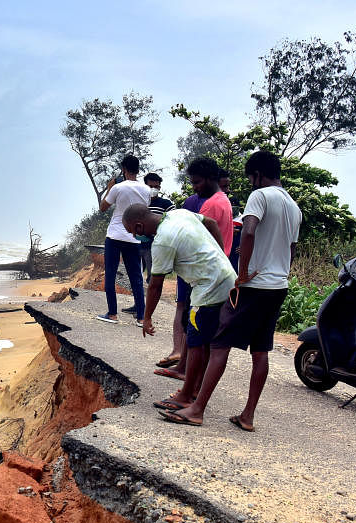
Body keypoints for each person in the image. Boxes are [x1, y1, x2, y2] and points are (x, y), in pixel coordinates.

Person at [160, 150, 302, 431]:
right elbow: (292, 248)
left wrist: (244, 272)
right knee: (261, 352)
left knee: (219, 344)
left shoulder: (260, 196)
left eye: (251, 177)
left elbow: (248, 231)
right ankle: (247, 415)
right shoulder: (294, 207)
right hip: (278, 286)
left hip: (254, 284)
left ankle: (197, 408)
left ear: (258, 174)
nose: (251, 183)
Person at [124, 204, 235, 413]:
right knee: (207, 343)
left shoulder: (162, 243)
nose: (136, 236)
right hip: (227, 280)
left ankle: (185, 396)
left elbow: (155, 285)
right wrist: (221, 255)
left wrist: (146, 318)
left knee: (195, 343)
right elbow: (211, 223)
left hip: (208, 289)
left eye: (133, 232)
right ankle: (194, 392)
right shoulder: (179, 214)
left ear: (139, 227)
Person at [154, 191, 205, 379]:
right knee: (183, 309)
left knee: (194, 317)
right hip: (189, 268)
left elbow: (156, 284)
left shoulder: (220, 202)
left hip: (200, 271)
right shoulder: (192, 201)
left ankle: (189, 371)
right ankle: (180, 354)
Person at [97, 155, 153, 325]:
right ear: (138, 169)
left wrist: (109, 188)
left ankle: (112, 314)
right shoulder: (146, 190)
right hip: (134, 237)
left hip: (114, 236)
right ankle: (141, 317)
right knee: (136, 277)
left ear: (124, 169)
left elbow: (103, 208)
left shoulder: (118, 188)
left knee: (111, 274)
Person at [142, 173, 173, 280]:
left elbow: (174, 220)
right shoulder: (139, 202)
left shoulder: (165, 204)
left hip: (155, 246)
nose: (153, 189)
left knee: (153, 277)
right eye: (151, 187)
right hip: (137, 244)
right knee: (134, 274)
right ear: (145, 186)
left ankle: (150, 296)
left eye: (156, 187)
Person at [219, 170, 242, 271]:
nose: (228, 190)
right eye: (224, 187)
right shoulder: (208, 206)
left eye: (228, 186)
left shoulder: (241, 218)